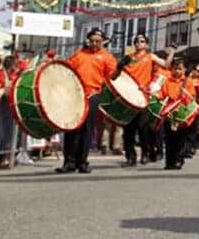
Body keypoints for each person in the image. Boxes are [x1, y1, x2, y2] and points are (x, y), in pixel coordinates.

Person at [57, 29, 116, 174]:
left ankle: (82, 162)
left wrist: (120, 68)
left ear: (102, 42)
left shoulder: (106, 57)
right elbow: (68, 68)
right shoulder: (80, 54)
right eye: (92, 41)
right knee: (71, 127)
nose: (94, 43)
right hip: (76, 94)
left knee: (87, 129)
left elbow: (113, 76)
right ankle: (69, 162)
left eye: (98, 41)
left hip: (93, 94)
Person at [119, 34, 173, 167]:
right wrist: (119, 65)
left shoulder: (150, 57)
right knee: (128, 130)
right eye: (137, 41)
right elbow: (118, 75)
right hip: (128, 97)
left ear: (147, 45)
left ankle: (146, 154)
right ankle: (130, 157)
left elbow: (166, 65)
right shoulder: (129, 59)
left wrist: (172, 52)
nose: (139, 44)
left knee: (144, 128)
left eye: (142, 41)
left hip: (143, 97)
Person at [159, 59, 193, 171]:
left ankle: (179, 160)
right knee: (169, 139)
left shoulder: (187, 82)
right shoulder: (167, 81)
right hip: (170, 114)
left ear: (184, 70)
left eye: (180, 69)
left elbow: (191, 96)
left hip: (182, 113)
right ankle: (169, 162)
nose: (177, 71)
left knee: (180, 139)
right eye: (175, 68)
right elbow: (161, 95)